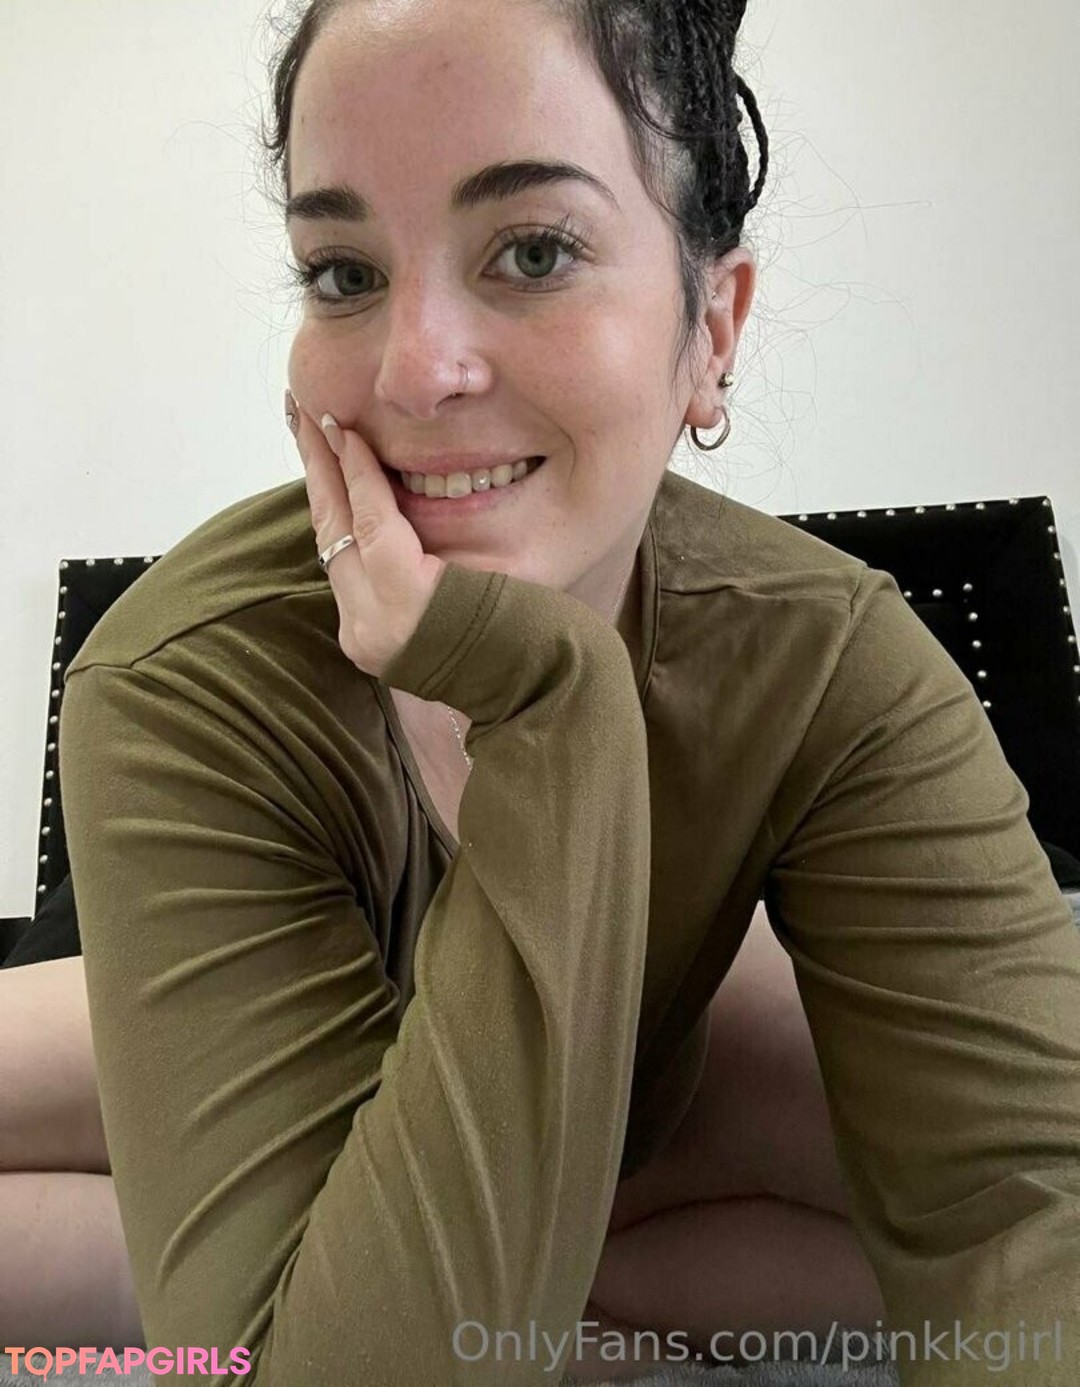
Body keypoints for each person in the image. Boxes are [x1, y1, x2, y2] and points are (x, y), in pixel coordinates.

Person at [3, 2, 1078, 1385]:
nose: (414, 372)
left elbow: (1022, 1208)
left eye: (535, 251)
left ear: (712, 328)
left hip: (628, 1098)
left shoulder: (829, 664)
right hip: (239, 958)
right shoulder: (185, 684)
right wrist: (549, 694)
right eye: (343, 271)